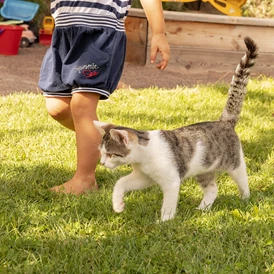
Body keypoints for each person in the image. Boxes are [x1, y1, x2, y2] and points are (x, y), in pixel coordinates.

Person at [38, 0, 170, 195]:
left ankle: (85, 179)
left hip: (99, 32)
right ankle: (120, 142)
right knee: (56, 107)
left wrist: (158, 32)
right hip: (64, 31)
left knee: (82, 107)